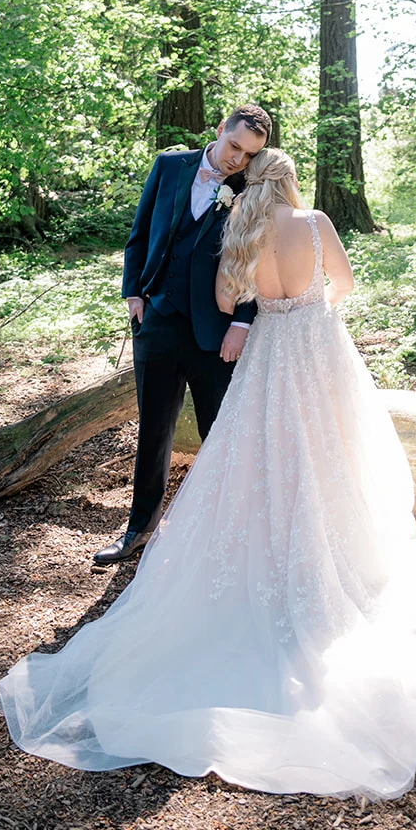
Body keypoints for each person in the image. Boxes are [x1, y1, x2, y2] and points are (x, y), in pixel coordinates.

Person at [0, 149, 416, 799]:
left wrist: (255, 301)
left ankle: (267, 551)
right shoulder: (314, 223)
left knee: (258, 458)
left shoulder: (240, 230)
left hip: (268, 353)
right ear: (291, 180)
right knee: (329, 454)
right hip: (316, 347)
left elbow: (227, 298)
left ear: (254, 182)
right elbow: (346, 285)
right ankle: (331, 554)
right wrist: (317, 306)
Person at [92, 103, 271, 566]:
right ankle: (139, 530)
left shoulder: (250, 187)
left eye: (250, 154)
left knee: (218, 431)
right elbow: (139, 234)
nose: (238, 160)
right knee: (153, 430)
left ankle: (222, 533)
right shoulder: (170, 166)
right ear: (219, 131)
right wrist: (133, 292)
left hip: (214, 329)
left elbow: (256, 259)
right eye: (235, 146)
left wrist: (241, 321)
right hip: (155, 320)